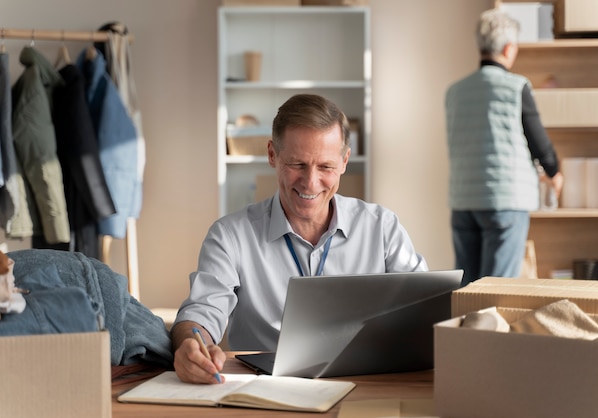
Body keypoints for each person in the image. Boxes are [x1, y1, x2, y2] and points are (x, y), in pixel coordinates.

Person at [171, 93, 428, 384]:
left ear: (344, 161)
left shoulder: (381, 227)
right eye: (297, 164)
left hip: (366, 382)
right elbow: (202, 312)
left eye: (326, 167)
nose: (310, 182)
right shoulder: (230, 235)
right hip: (266, 387)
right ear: (272, 155)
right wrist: (190, 345)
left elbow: (425, 307)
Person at [445, 8, 563, 287]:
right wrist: (554, 171)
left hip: (463, 201)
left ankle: (460, 333)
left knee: (467, 289)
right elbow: (538, 141)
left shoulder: (455, 91)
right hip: (505, 202)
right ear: (509, 48)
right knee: (496, 291)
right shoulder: (516, 87)